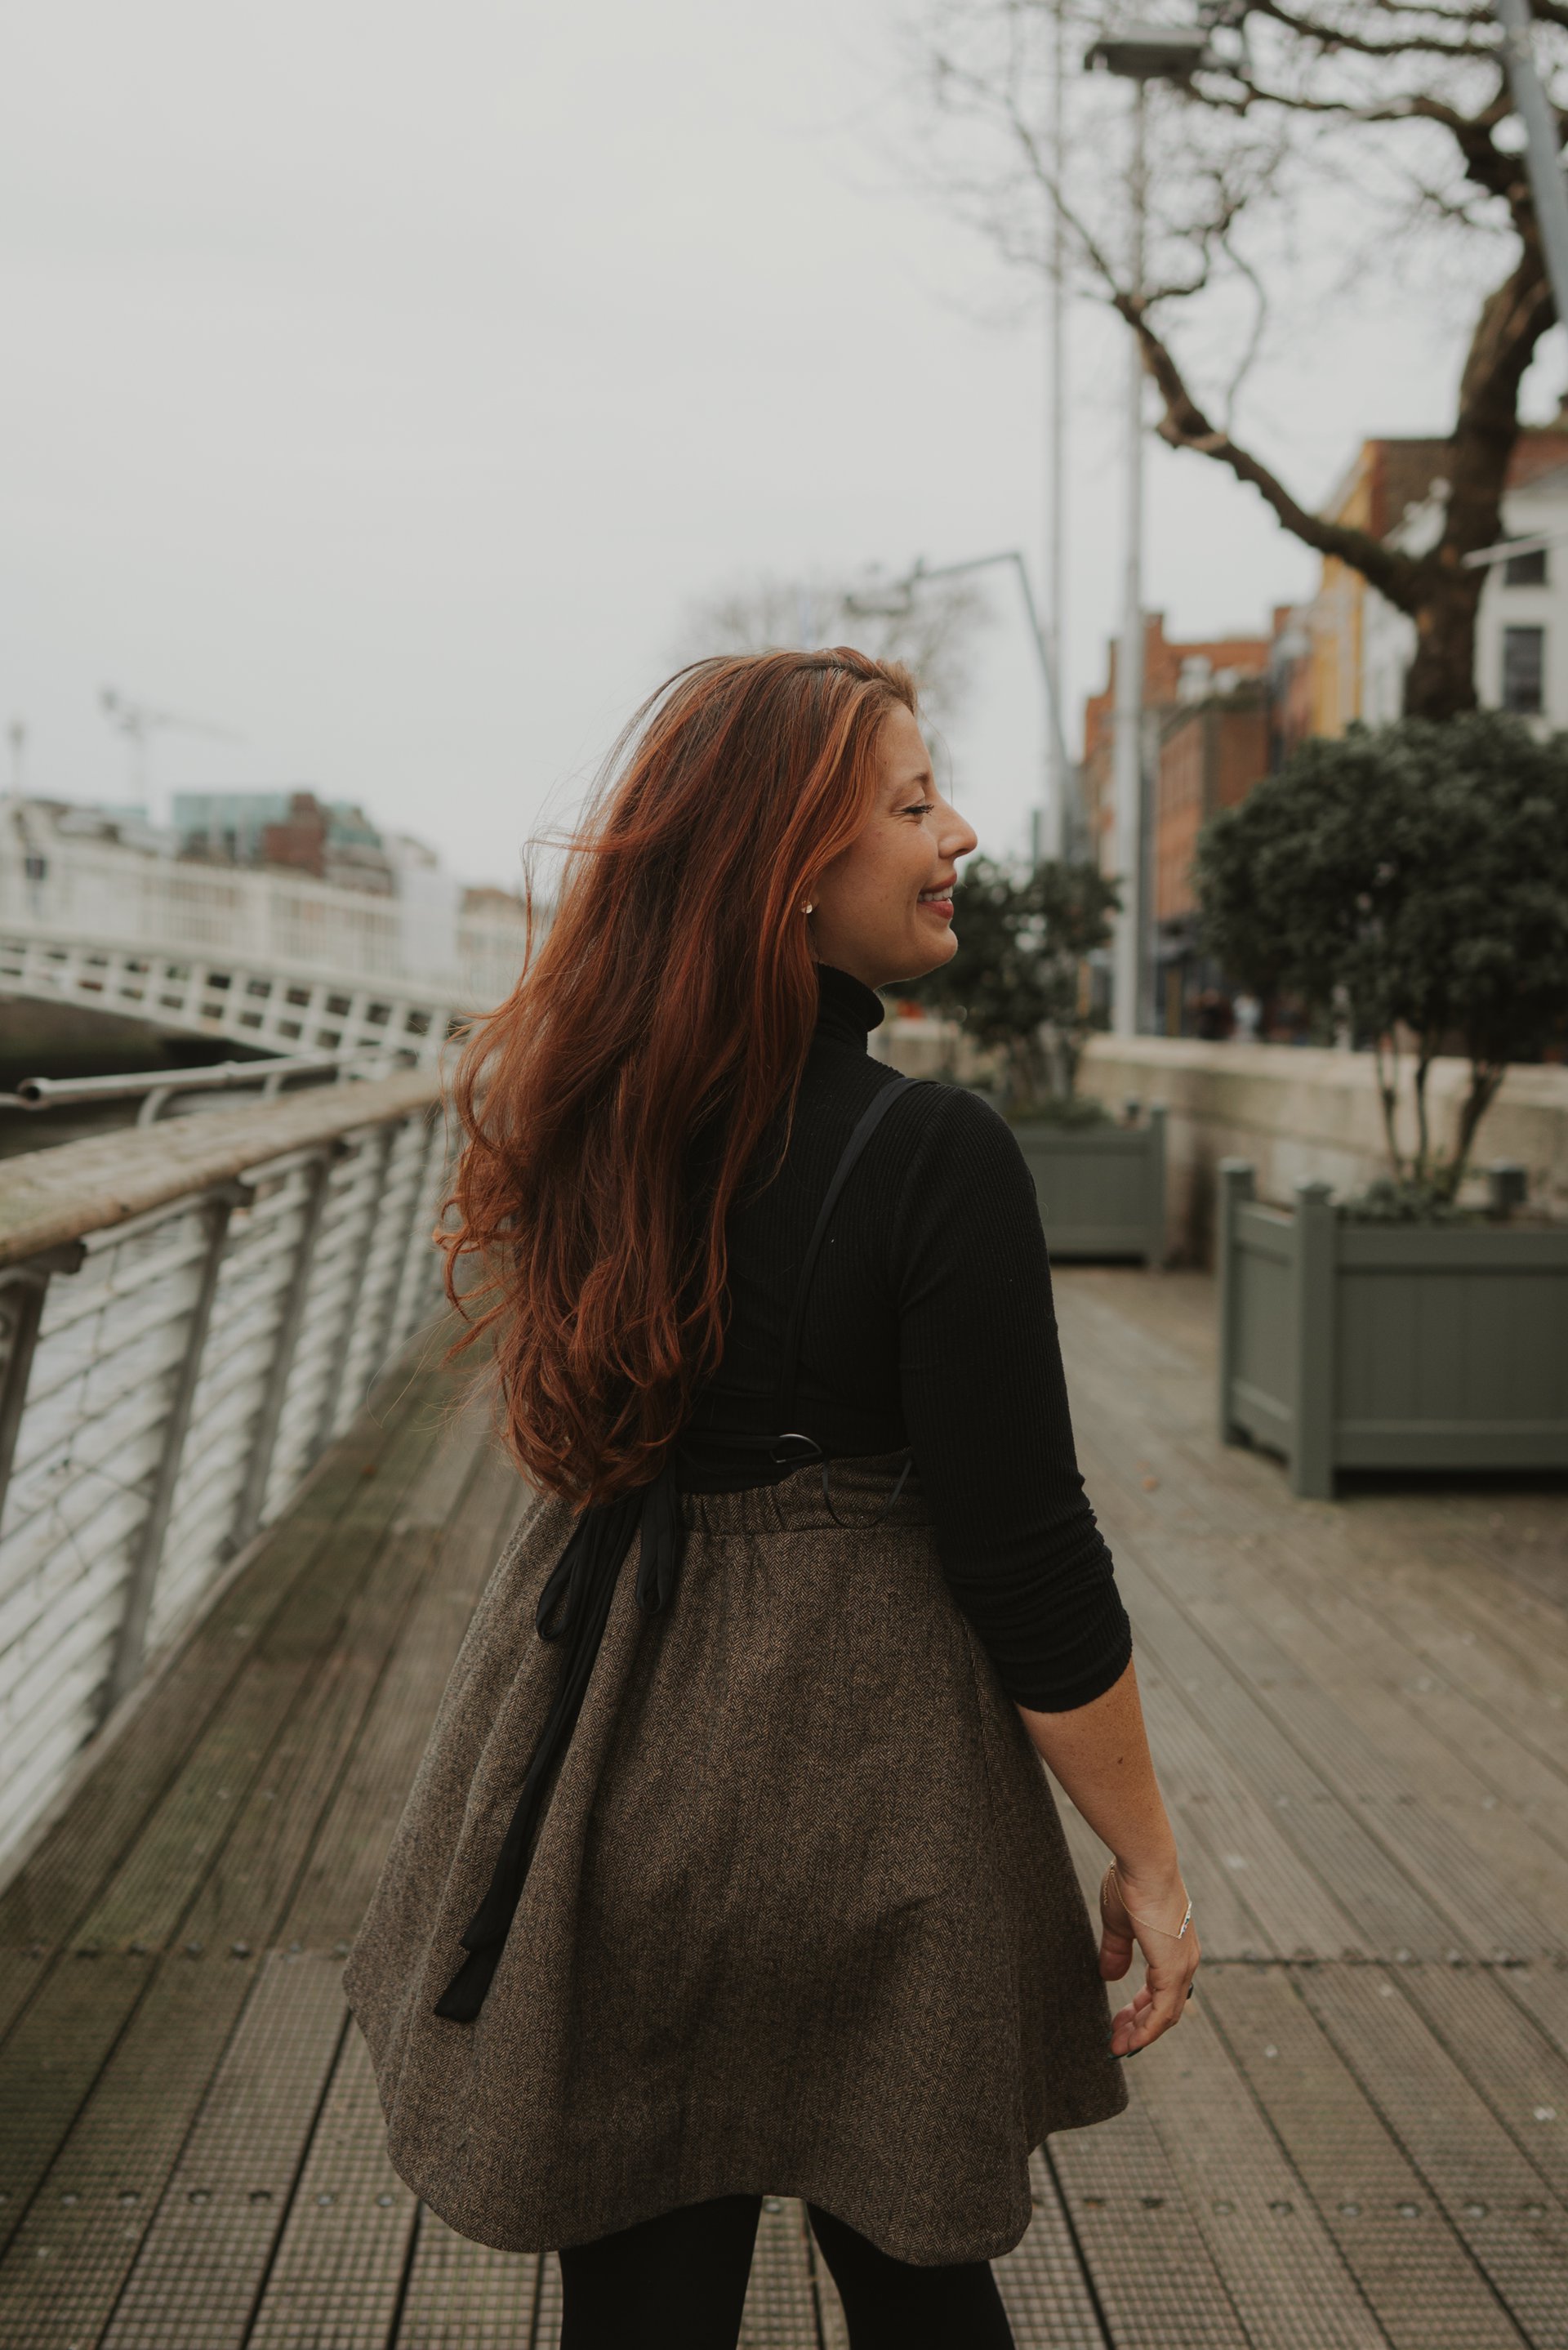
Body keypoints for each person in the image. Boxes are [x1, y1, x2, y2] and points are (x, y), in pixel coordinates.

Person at [344, 649, 1199, 2350]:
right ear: (793, 864)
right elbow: (1027, 1554)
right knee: (920, 2283)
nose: (959, 835)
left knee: (643, 2303)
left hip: (610, 1768)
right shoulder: (932, 1152)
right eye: (914, 804)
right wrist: (1151, 1857)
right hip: (868, 1798)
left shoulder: (599, 1112)